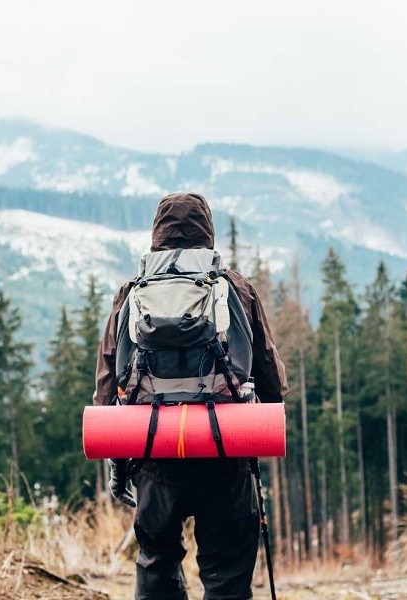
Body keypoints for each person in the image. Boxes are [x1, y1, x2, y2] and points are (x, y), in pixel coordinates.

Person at [94, 192, 288, 600]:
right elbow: (270, 375)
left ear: (157, 235)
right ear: (207, 232)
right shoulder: (235, 288)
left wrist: (118, 462)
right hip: (225, 451)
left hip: (154, 453)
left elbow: (108, 383)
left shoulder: (131, 292)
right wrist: (259, 424)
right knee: (227, 572)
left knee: (157, 562)